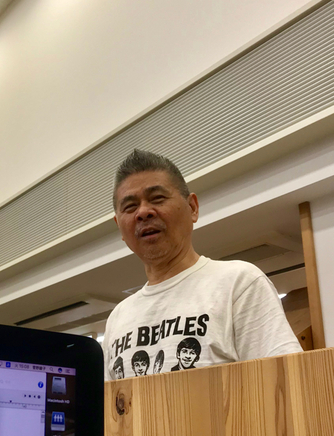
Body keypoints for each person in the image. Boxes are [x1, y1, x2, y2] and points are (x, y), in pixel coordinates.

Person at [103, 149, 301, 380]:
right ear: (119, 226)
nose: (143, 212)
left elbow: (286, 384)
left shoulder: (239, 283)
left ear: (192, 208)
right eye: (130, 207)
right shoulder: (118, 317)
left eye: (157, 198)